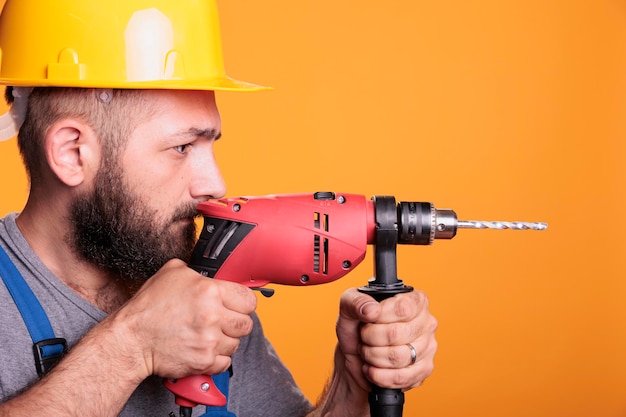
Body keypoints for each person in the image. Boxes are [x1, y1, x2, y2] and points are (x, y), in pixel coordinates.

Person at [0, 1, 438, 416]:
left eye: (209, 144)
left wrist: (351, 390)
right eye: (182, 146)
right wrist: (132, 345)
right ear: (73, 153)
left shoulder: (203, 293)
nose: (215, 186)